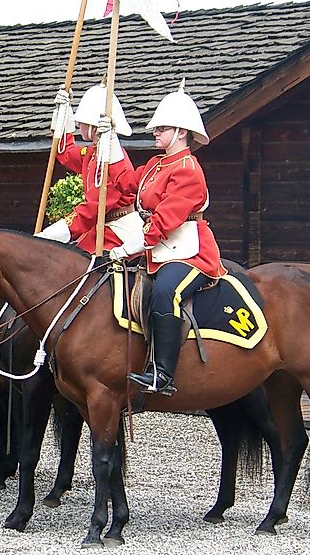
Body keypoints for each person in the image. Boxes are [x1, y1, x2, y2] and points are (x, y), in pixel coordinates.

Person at [112, 80, 227, 395]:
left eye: (162, 128)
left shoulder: (188, 169)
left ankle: (162, 374)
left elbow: (166, 219)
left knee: (166, 291)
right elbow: (125, 185)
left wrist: (130, 245)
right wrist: (109, 146)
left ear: (181, 132)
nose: (155, 132)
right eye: (157, 127)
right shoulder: (154, 165)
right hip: (157, 248)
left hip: (189, 250)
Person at [35, 84, 142, 252]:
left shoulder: (113, 159)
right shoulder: (92, 152)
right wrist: (63, 112)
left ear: (95, 126)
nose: (78, 125)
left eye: (82, 122)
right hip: (100, 227)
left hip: (119, 229)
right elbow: (66, 153)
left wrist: (51, 235)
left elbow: (94, 208)